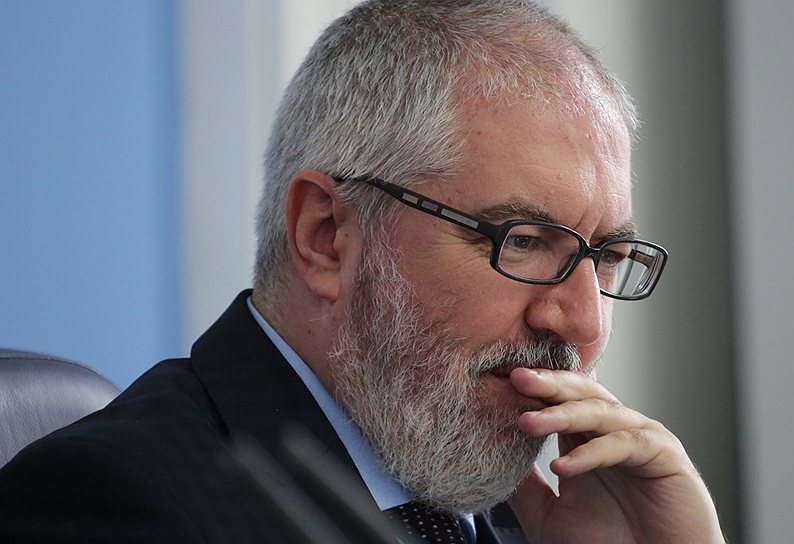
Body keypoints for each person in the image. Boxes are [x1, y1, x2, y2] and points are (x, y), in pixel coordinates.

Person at [0, 1, 725, 542]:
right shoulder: (115, 502)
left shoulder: (542, 515)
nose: (584, 321)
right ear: (326, 237)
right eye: (525, 241)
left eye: (607, 258)